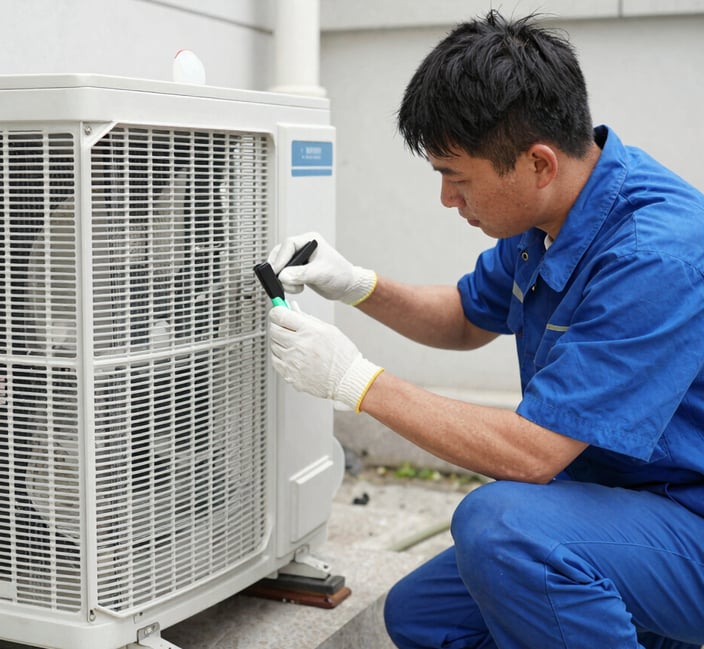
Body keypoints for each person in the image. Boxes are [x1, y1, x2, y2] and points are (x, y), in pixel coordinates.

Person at [266, 10, 704, 649]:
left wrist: (354, 381)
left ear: (537, 163)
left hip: (688, 521)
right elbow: (467, 317)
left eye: (456, 176)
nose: (447, 199)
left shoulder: (652, 256)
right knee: (423, 617)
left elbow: (533, 454)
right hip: (629, 507)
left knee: (502, 528)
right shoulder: (552, 215)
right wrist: (357, 284)